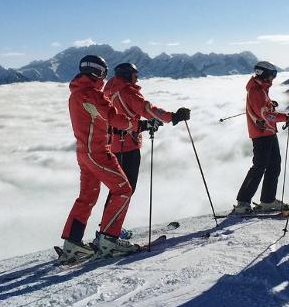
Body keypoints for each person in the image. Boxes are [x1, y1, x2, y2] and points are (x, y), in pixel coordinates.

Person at [58, 55, 140, 263]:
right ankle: (109, 240)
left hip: (83, 152)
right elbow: (112, 117)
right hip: (98, 153)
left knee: (87, 197)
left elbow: (98, 120)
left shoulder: (76, 94)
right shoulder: (93, 95)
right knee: (123, 190)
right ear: (98, 72)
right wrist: (137, 125)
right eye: (104, 72)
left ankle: (72, 243)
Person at [104, 62, 191, 235]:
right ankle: (111, 231)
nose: (137, 79)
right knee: (125, 189)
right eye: (135, 76)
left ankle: (108, 227)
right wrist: (172, 117)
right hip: (127, 145)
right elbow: (147, 110)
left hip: (112, 143)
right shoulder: (127, 92)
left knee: (117, 189)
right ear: (127, 75)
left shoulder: (109, 90)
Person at [232, 61, 289, 214]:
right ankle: (243, 202)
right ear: (265, 75)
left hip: (267, 132)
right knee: (259, 166)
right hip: (261, 134)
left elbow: (262, 108)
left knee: (274, 165)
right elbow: (266, 115)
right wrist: (285, 117)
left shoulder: (260, 89)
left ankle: (268, 200)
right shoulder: (256, 91)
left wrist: (269, 103)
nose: (273, 79)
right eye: (272, 75)